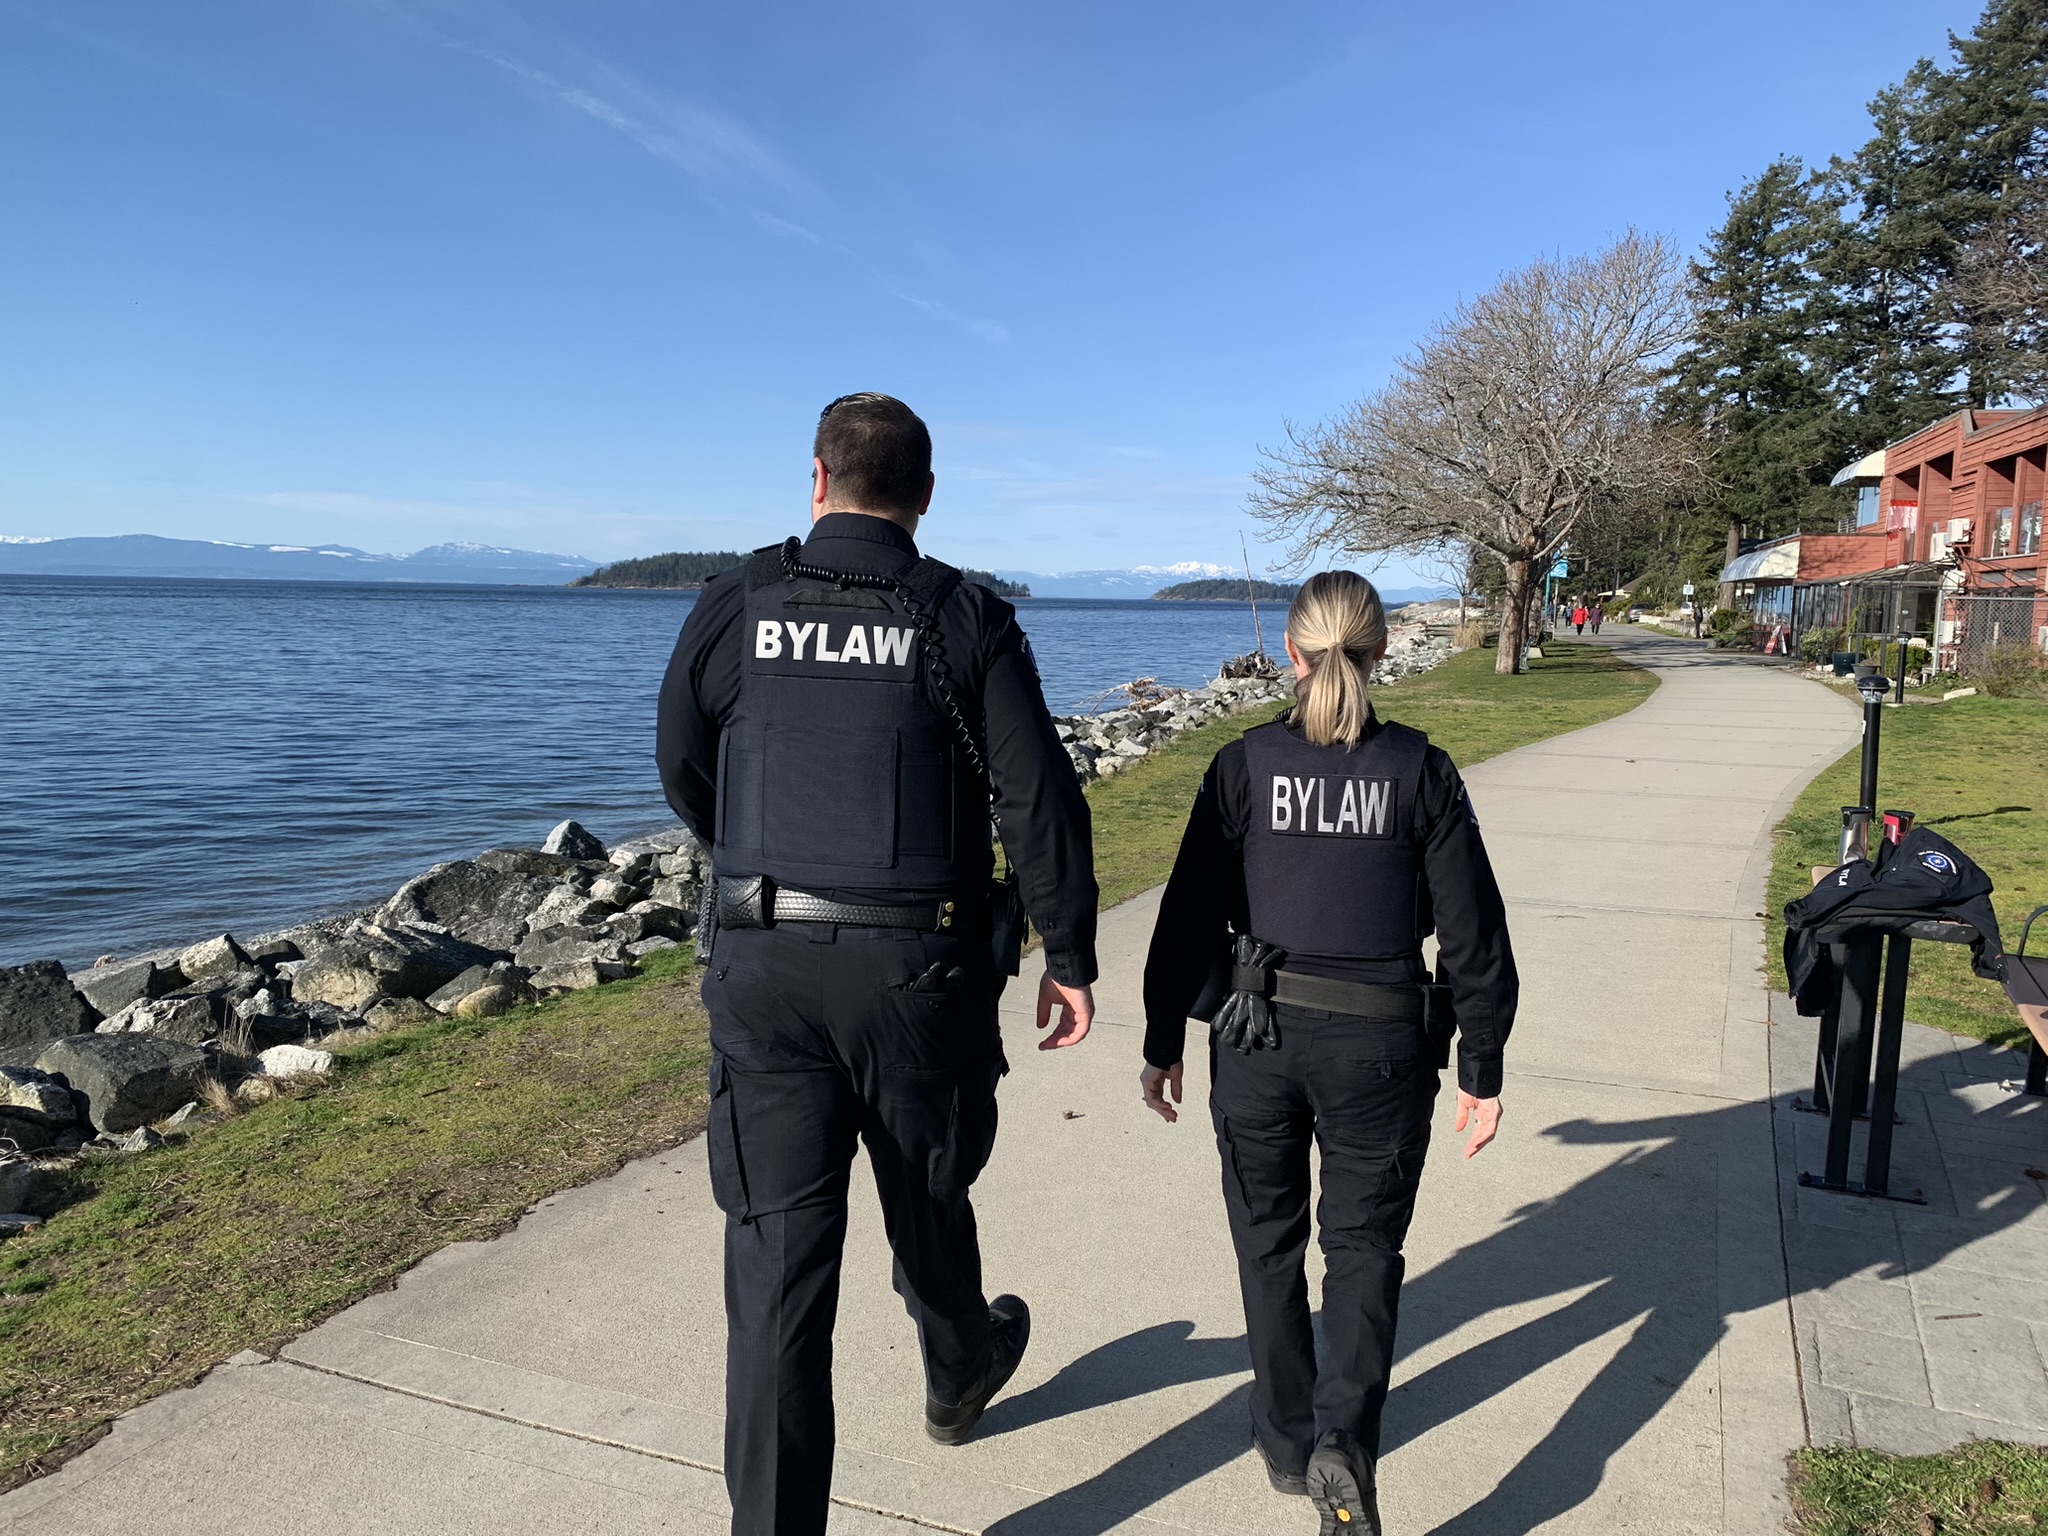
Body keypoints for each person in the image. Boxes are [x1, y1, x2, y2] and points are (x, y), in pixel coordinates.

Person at [656, 392, 1100, 1536]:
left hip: (764, 969)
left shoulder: (736, 602)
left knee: (776, 1279)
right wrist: (1068, 947)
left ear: (815, 481)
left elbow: (683, 762)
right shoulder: (960, 614)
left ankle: (914, 1403)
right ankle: (956, 1366)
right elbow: (1035, 797)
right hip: (919, 973)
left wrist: (757, 870)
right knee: (925, 1187)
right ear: (925, 495)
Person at [1137, 571, 1517, 1536]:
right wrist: (1482, 1066)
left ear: (1293, 656)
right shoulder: (1421, 771)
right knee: (1361, 1249)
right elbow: (1473, 934)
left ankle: (1285, 1438)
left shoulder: (1242, 765)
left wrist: (1160, 1040)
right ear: (1378, 654)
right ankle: (1346, 1439)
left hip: (1257, 1040)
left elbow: (1185, 916)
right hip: (1380, 1049)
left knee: (1268, 1242)